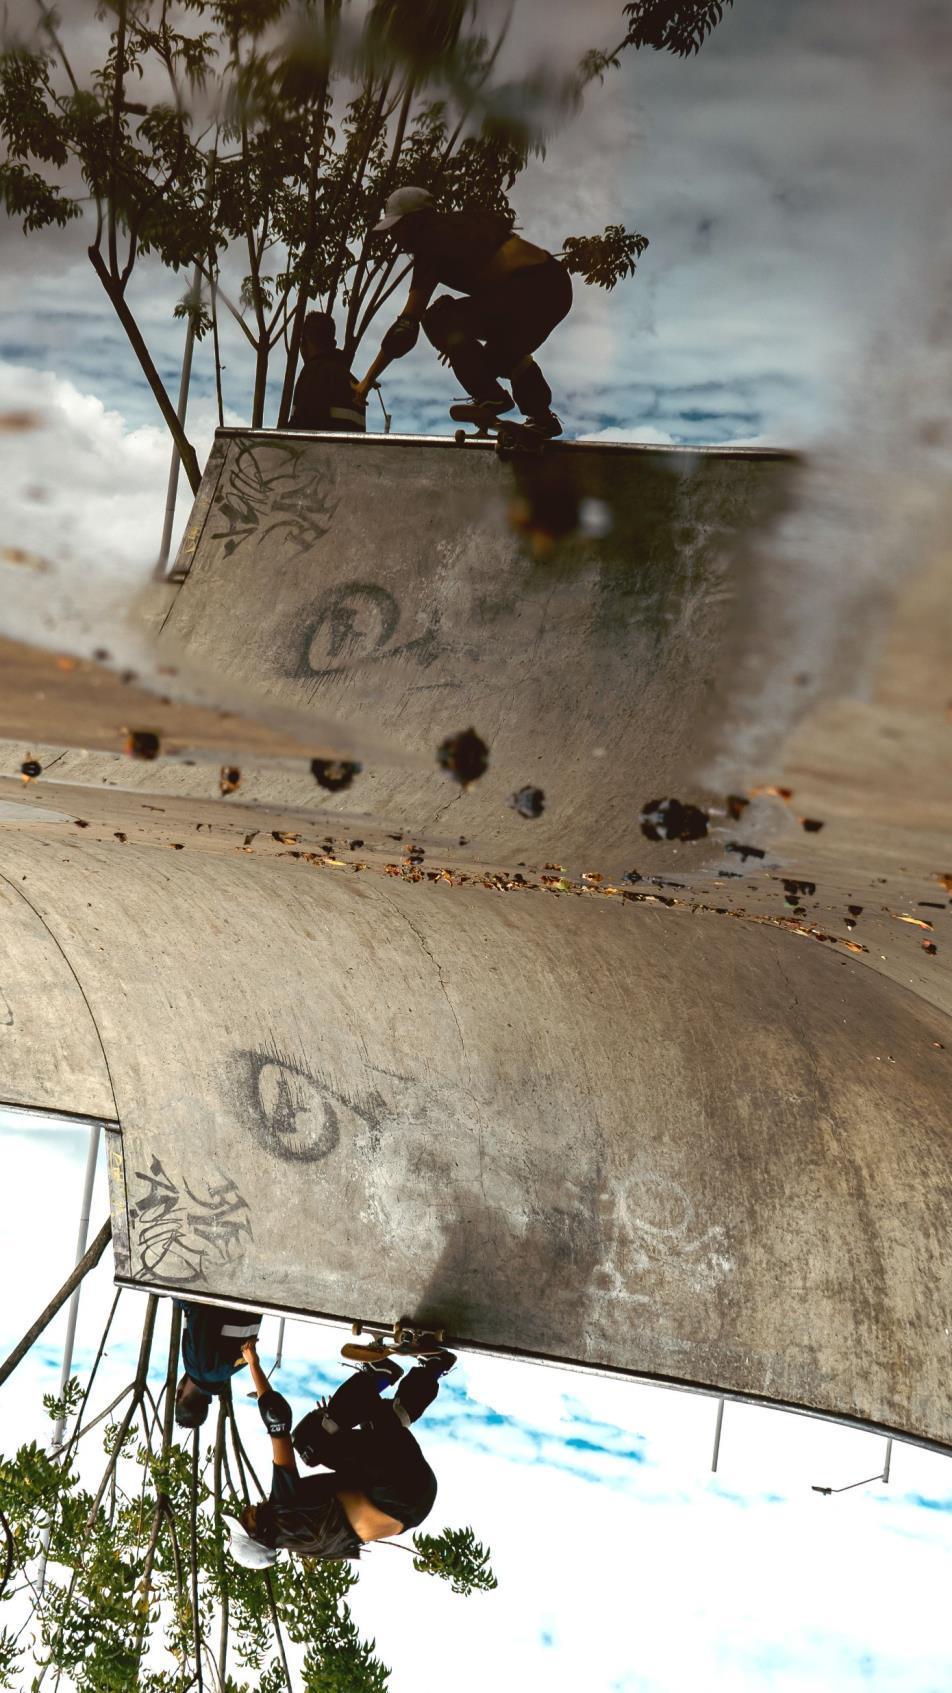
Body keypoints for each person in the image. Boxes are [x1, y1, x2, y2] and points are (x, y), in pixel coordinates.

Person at [354, 185, 572, 438]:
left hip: (530, 289)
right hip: (554, 289)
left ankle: (490, 397)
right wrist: (462, 346)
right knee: (501, 354)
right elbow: (492, 282)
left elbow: (406, 327)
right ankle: (542, 419)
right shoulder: (458, 228)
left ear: (414, 222)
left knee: (437, 318)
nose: (394, 238)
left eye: (397, 229)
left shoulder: (431, 240)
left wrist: (366, 381)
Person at [225, 1335, 455, 1566]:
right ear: (259, 1534)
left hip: (416, 1501)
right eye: (246, 1520)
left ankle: (434, 1367)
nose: (246, 1511)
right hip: (396, 1485)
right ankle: (377, 1376)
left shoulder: (313, 1544)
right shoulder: (282, 1512)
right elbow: (277, 1418)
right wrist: (253, 1364)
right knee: (309, 1444)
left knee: (373, 1430)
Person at [174, 1301, 263, 1429]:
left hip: (257, 1297)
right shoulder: (198, 1368)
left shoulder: (235, 1366)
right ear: (179, 1396)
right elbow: (200, 1307)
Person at [288, 311, 367, 432]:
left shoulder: (314, 373)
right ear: (333, 343)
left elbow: (306, 429)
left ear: (305, 342)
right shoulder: (353, 382)